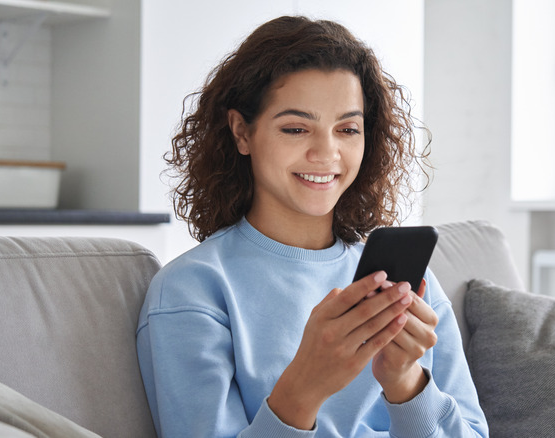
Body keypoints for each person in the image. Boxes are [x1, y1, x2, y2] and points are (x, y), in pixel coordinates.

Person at [136, 15, 488, 438]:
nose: (327, 152)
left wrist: (405, 384)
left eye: (348, 129)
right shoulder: (191, 290)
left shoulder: (407, 285)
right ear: (241, 132)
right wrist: (304, 387)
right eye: (296, 128)